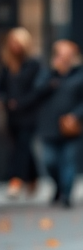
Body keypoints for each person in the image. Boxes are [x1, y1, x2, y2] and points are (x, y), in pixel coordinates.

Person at [33, 40, 83, 208]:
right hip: (49, 126)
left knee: (68, 161)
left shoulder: (80, 74)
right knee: (49, 161)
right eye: (60, 54)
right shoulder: (47, 73)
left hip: (70, 128)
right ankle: (58, 186)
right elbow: (37, 92)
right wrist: (52, 75)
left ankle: (67, 194)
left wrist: (76, 115)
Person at [0, 28, 42, 200]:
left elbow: (37, 90)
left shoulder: (33, 64)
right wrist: (6, 101)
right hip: (12, 115)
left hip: (28, 114)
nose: (14, 46)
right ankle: (33, 176)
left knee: (22, 147)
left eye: (18, 42)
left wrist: (21, 102)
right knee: (21, 147)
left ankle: (16, 181)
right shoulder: (7, 65)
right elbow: (2, 87)